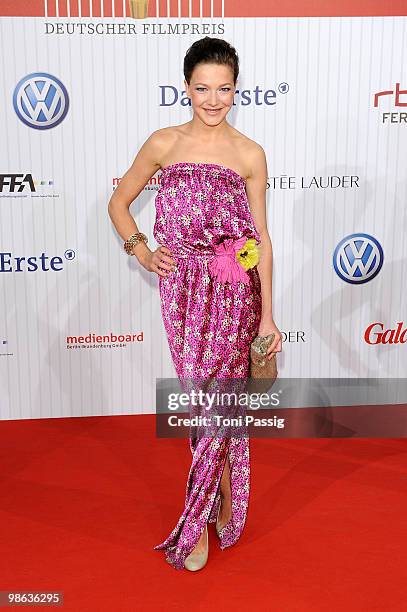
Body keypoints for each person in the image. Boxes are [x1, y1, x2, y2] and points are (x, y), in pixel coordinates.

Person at [108, 36, 282, 571]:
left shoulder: (250, 153)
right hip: (181, 288)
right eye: (202, 88)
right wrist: (141, 249)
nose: (213, 99)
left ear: (236, 90)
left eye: (224, 89)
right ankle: (220, 490)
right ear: (186, 87)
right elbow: (118, 202)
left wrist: (268, 315)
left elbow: (262, 238)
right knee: (202, 398)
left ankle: (199, 511)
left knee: (218, 402)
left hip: (235, 289)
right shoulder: (163, 142)